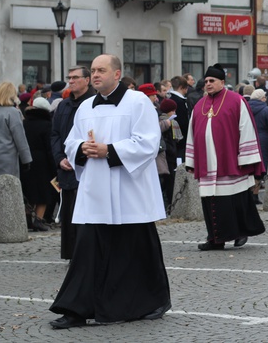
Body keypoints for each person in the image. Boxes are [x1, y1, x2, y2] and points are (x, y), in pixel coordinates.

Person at [49, 54, 170, 329]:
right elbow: (71, 140)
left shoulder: (138, 102)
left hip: (130, 191)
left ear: (117, 74)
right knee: (86, 250)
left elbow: (149, 143)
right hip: (96, 191)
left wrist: (110, 151)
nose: (95, 75)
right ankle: (75, 309)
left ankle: (152, 302)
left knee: (138, 250)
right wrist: (81, 149)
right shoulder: (86, 106)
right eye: (92, 70)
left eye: (101, 70)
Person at [185, 64, 266, 251]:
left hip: (229, 159)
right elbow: (192, 132)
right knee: (210, 202)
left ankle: (239, 233)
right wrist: (191, 160)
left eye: (212, 81)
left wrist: (246, 158)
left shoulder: (236, 101)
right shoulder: (199, 105)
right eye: (206, 81)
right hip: (207, 162)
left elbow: (246, 128)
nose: (208, 84)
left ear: (222, 82)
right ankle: (215, 239)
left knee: (233, 201)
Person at [50, 66, 96, 260]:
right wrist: (60, 158)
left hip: (89, 167)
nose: (71, 81)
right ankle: (73, 256)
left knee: (89, 213)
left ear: (87, 80)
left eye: (75, 77)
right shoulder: (63, 106)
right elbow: (55, 135)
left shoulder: (95, 103)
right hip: (67, 168)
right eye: (69, 78)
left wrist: (78, 156)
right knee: (69, 214)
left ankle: (89, 254)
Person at [0, 82, 32, 192]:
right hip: (7, 156)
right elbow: (20, 139)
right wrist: (26, 159)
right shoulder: (12, 112)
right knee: (8, 192)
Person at [21, 97, 56, 232]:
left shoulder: (24, 123)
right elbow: (49, 147)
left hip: (26, 161)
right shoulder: (47, 125)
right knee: (43, 193)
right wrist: (54, 166)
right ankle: (39, 220)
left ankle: (28, 219)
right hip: (43, 163)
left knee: (28, 191)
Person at [248, 89, 268, 205]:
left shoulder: (246, 108)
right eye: (265, 97)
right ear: (261, 98)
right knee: (260, 169)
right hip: (263, 140)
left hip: (249, 139)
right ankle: (255, 194)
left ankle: (249, 194)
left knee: (250, 168)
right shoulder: (266, 109)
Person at [167, 76, 191, 160]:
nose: (187, 90)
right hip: (180, 138)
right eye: (186, 88)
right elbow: (183, 121)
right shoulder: (180, 102)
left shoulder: (170, 99)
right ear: (181, 87)